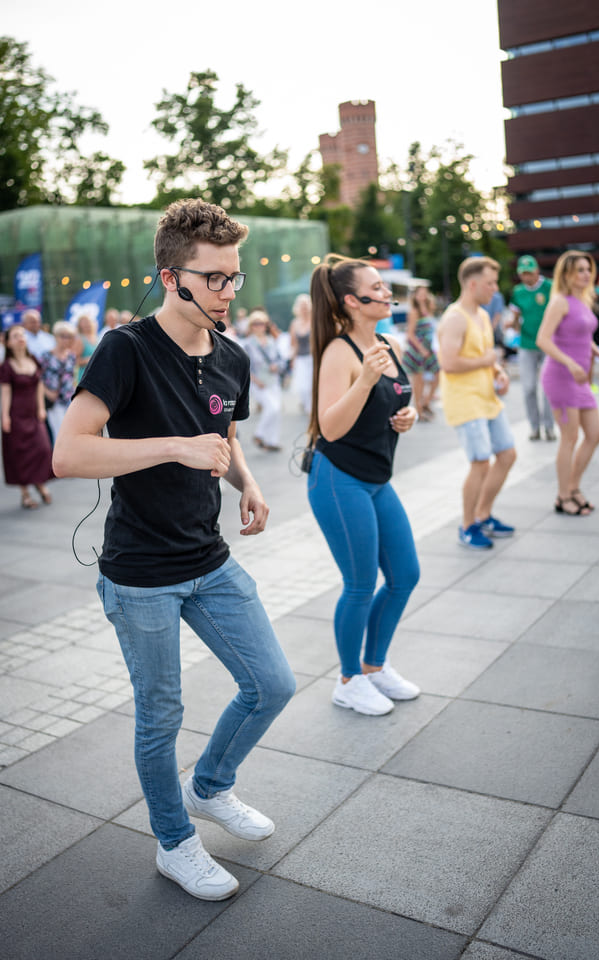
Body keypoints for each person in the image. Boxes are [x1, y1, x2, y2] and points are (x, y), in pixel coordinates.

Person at [53, 198, 296, 901]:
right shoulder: (125, 350)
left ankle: (210, 787)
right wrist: (174, 448)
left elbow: (224, 436)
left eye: (234, 277)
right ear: (171, 277)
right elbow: (69, 456)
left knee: (272, 684)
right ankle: (174, 842)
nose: (227, 291)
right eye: (214, 278)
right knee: (161, 714)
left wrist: (245, 481)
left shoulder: (234, 357)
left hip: (211, 560)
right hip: (140, 576)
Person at [306, 254, 420, 717]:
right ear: (353, 301)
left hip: (376, 478)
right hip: (339, 479)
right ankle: (349, 680)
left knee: (404, 576)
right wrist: (366, 378)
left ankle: (374, 667)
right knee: (359, 583)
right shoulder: (339, 351)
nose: (387, 292)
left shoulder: (389, 343)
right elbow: (329, 428)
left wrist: (406, 417)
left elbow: (394, 402)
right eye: (378, 287)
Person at [437, 256, 517, 550]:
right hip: (465, 401)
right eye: (490, 283)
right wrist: (488, 361)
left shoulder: (482, 315)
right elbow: (448, 362)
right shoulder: (455, 317)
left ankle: (483, 515)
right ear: (473, 284)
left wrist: (499, 373)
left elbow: (487, 357)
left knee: (507, 455)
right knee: (480, 463)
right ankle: (468, 525)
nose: (495, 289)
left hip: (487, 397)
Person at [537, 251, 599, 515]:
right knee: (570, 437)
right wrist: (571, 363)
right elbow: (543, 339)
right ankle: (563, 496)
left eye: (588, 269)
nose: (586, 274)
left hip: (579, 378)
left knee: (596, 434)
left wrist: (597, 351)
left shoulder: (582, 300)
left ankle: (574, 487)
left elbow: (580, 334)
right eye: (579, 270)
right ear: (566, 273)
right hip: (561, 376)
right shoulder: (559, 302)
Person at [0, 324, 53, 508]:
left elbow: (38, 386)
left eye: (22, 334)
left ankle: (40, 484)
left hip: (33, 414)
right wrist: (5, 416)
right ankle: (25, 494)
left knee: (43, 449)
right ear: (7, 343)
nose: (20, 337)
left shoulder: (33, 360)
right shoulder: (6, 366)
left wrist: (41, 408)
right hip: (16, 416)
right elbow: (5, 393)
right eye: (15, 335)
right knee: (20, 456)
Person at [509, 255, 556, 441]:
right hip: (527, 344)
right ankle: (534, 427)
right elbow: (515, 315)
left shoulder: (549, 287)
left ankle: (549, 427)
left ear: (537, 270)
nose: (526, 277)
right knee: (528, 387)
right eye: (523, 273)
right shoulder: (518, 291)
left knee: (547, 388)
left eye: (529, 272)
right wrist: (511, 325)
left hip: (548, 344)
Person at [243, 309, 284, 451]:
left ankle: (272, 441)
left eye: (261, 323)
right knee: (272, 407)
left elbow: (281, 360)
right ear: (251, 326)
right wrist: (254, 380)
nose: (258, 326)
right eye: (255, 323)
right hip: (258, 383)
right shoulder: (247, 344)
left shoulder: (272, 341)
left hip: (273, 380)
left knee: (276, 411)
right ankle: (259, 434)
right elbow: (244, 366)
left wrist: (276, 366)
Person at [401, 285, 440, 421]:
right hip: (418, 350)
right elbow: (410, 334)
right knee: (419, 381)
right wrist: (422, 349)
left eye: (425, 293)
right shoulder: (414, 312)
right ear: (415, 296)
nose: (423, 296)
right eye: (420, 293)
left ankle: (426, 402)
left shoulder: (428, 309)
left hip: (428, 348)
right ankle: (419, 409)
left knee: (438, 373)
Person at [40, 321, 78, 443]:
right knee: (59, 434)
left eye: (69, 336)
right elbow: (38, 378)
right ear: (56, 336)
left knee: (72, 431)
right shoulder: (46, 356)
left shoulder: (71, 356)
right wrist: (47, 392)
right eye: (63, 336)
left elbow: (73, 377)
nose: (66, 340)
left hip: (69, 399)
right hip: (53, 401)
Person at [289, 293, 313, 415]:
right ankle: (307, 406)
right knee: (302, 388)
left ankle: (311, 411)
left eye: (306, 305)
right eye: (302, 306)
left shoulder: (314, 322)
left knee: (311, 387)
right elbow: (294, 344)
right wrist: (292, 360)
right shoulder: (295, 323)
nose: (304, 308)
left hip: (312, 358)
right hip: (300, 359)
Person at [74, 314, 98, 380]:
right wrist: (89, 359)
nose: (87, 324)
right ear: (80, 325)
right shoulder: (80, 339)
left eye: (88, 321)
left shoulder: (97, 338)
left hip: (99, 375)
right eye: (84, 322)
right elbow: (75, 361)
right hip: (86, 376)